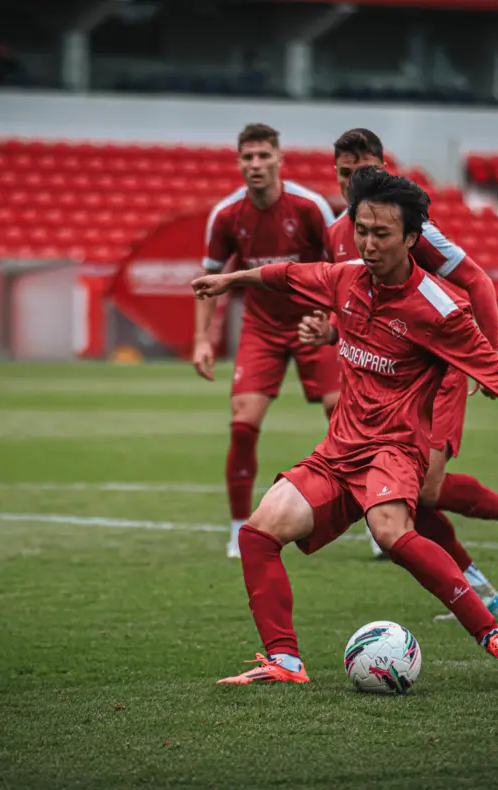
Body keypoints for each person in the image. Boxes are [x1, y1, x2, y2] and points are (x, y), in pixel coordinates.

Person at [191, 167, 498, 684]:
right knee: (259, 531)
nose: (367, 244)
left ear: (413, 238)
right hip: (338, 452)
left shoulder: (440, 308)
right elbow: (285, 275)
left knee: (390, 531)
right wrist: (228, 281)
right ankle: (285, 661)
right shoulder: (346, 277)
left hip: (394, 450)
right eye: (361, 231)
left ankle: (493, 634)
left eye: (381, 234)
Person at [316, 133, 498, 608]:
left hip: (438, 368)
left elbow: (476, 280)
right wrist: (327, 331)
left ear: (383, 169)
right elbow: (353, 306)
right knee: (409, 494)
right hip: (380, 380)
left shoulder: (413, 229)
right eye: (344, 174)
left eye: (362, 171)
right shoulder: (337, 233)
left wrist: (490, 356)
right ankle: (477, 579)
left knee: (421, 488)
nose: (353, 182)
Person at [193, 123, 338, 559]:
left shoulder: (310, 207)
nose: (255, 165)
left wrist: (333, 323)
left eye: (263, 156)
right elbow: (208, 281)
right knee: (243, 422)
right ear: (238, 163)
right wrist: (202, 339)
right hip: (262, 327)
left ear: (280, 159)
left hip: (315, 321)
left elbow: (342, 269)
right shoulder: (225, 215)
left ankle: (371, 516)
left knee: (344, 418)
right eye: (247, 158)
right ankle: (241, 525)